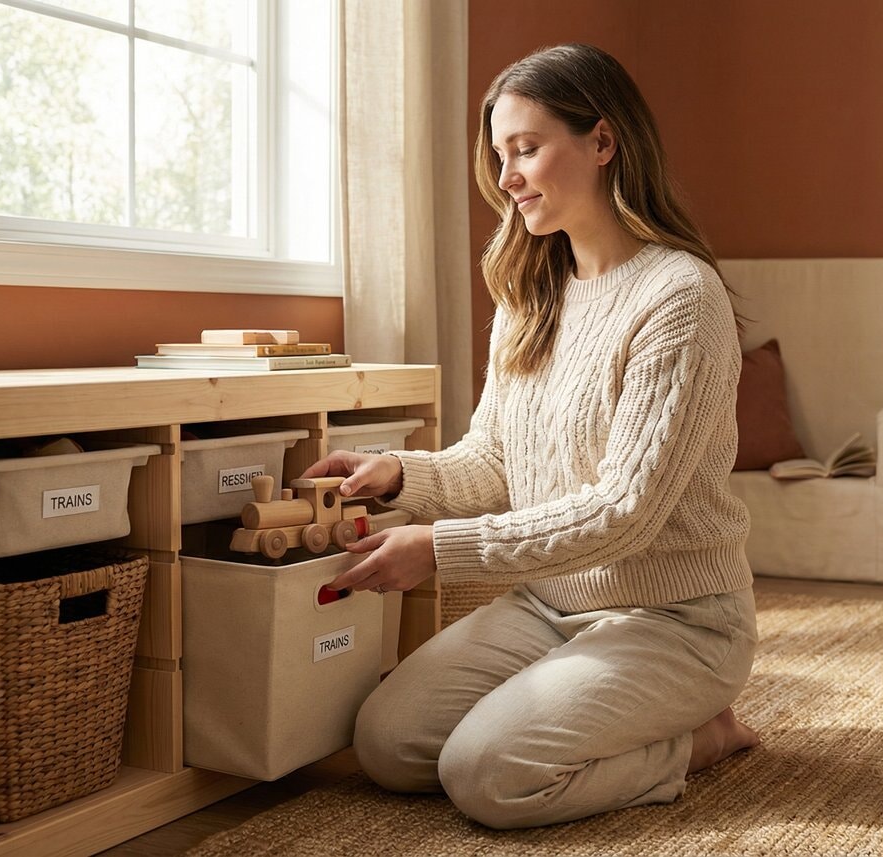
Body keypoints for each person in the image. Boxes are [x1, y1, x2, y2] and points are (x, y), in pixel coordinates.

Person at [303, 42, 758, 830]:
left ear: (603, 142)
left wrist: (438, 548)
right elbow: (493, 459)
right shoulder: (529, 296)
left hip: (678, 618)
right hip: (549, 603)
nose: (507, 176)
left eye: (526, 148)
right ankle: (578, 695)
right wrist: (397, 475)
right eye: (501, 154)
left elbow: (623, 512)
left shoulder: (681, 297)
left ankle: (697, 738)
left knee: (486, 774)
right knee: (387, 744)